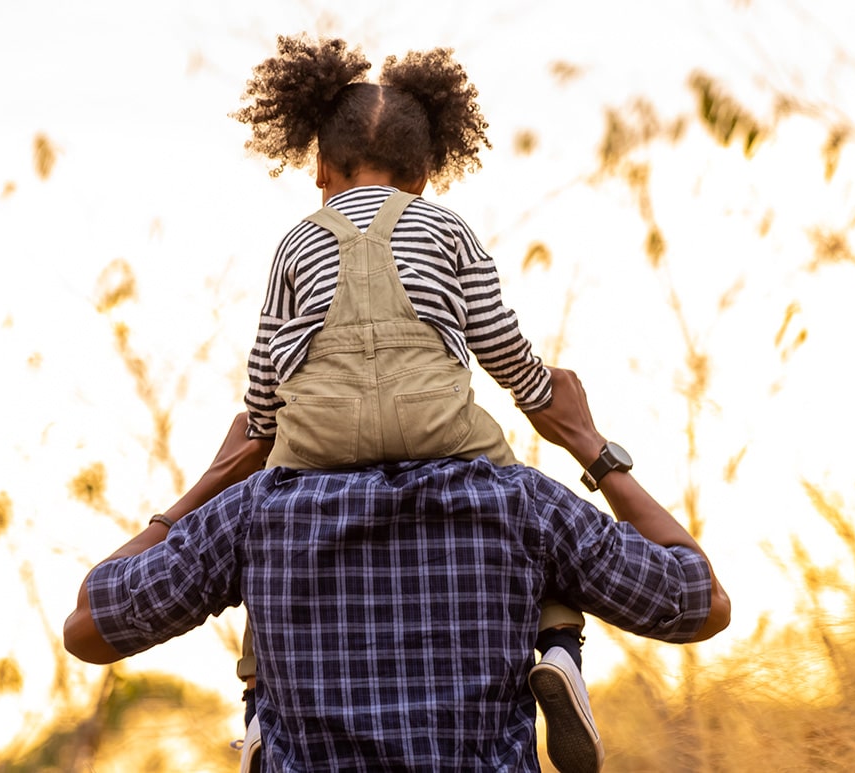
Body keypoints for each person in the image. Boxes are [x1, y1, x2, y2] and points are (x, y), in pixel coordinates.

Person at [152, 33, 614, 770]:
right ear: (426, 172)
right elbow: (500, 343)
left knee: (268, 532)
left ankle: (260, 702)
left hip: (316, 447)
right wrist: (537, 394)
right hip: (442, 431)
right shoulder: (449, 228)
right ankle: (559, 648)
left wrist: (267, 432)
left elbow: (268, 366)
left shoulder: (296, 242)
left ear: (320, 167)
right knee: (527, 506)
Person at [64, 368, 731, 772]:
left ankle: (261, 708)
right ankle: (560, 643)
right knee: (541, 567)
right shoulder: (517, 498)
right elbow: (699, 599)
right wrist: (589, 444)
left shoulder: (257, 511)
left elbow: (90, 624)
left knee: (270, 631)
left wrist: (210, 482)